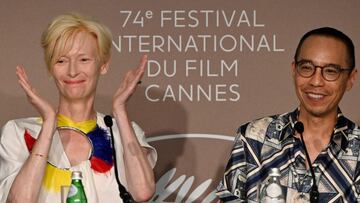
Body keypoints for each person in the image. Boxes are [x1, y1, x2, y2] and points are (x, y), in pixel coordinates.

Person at [0, 13, 157, 203]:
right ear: (51, 68)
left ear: (103, 65)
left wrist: (120, 110)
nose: (73, 71)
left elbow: (142, 193)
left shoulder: (122, 132)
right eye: (61, 61)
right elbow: (20, 201)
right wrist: (49, 122)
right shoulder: (19, 132)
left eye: (84, 60)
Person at [216, 27, 359, 202]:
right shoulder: (255, 138)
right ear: (294, 70)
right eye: (306, 67)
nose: (315, 81)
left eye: (330, 71)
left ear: (351, 79)